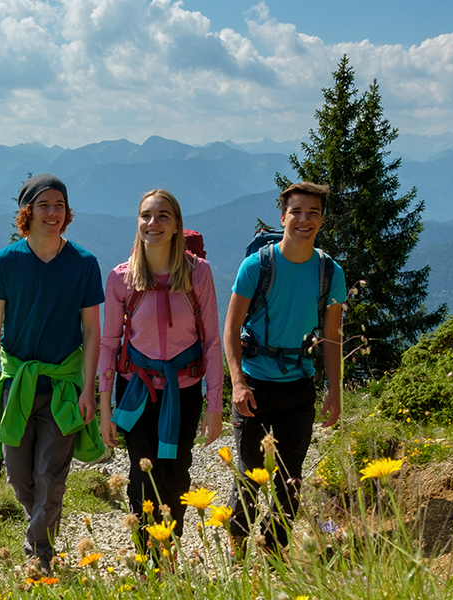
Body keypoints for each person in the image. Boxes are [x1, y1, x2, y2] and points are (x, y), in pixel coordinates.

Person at [0, 173, 106, 574]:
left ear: (68, 213)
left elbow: (91, 331)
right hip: (16, 383)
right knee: (21, 479)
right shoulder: (4, 263)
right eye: (44, 205)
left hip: (63, 387)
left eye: (59, 206)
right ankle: (42, 530)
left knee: (50, 477)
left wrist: (90, 389)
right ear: (27, 213)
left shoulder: (84, 264)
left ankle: (39, 556)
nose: (53, 213)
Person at [222, 181, 346, 555]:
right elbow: (229, 328)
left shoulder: (330, 273)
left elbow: (333, 337)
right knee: (249, 475)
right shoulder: (256, 266)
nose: (304, 220)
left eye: (313, 213)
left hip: (299, 385)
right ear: (283, 216)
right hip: (255, 386)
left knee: (290, 479)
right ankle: (238, 540)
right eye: (296, 211)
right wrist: (238, 383)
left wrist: (335, 391)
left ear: (322, 220)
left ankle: (273, 548)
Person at [96, 189, 221, 544]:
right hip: (137, 390)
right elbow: (109, 345)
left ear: (177, 225)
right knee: (141, 477)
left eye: (163, 215)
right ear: (137, 223)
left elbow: (212, 342)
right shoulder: (121, 278)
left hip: (183, 391)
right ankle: (148, 561)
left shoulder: (199, 274)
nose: (154, 223)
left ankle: (170, 551)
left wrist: (215, 406)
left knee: (177, 475)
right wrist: (105, 409)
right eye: (147, 216)